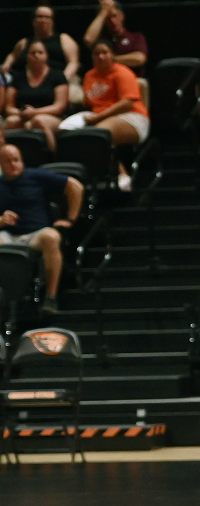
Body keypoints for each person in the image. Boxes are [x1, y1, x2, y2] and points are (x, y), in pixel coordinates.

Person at [0, 143, 83, 314]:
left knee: (51, 237)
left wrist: (70, 218)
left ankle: (50, 297)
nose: (13, 164)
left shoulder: (36, 177)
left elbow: (75, 186)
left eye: (16, 160)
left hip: (36, 234)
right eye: (8, 161)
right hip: (8, 235)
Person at [59, 40, 150, 145]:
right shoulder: (89, 76)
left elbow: (127, 104)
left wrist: (99, 117)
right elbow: (90, 103)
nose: (101, 57)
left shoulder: (122, 72)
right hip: (98, 116)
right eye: (97, 54)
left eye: (105, 53)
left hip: (131, 116)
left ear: (112, 55)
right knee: (65, 132)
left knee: (98, 134)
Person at [3, 5, 82, 106]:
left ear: (52, 21)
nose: (43, 20)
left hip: (58, 80)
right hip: (29, 82)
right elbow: (13, 55)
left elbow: (73, 62)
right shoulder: (24, 42)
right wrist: (7, 64)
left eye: (47, 17)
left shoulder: (64, 39)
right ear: (33, 20)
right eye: (39, 17)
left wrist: (61, 80)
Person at [4, 39, 69, 149]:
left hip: (51, 116)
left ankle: (51, 158)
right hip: (23, 115)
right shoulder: (18, 77)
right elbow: (9, 107)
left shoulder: (57, 76)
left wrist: (35, 112)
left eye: (40, 52)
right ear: (27, 56)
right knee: (11, 121)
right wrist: (21, 113)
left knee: (38, 121)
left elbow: (60, 106)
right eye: (32, 53)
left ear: (46, 56)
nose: (36, 55)